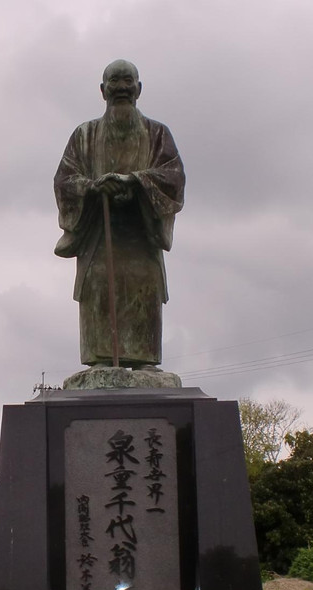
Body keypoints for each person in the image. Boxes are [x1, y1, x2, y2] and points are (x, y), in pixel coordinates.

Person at [54, 59, 185, 369]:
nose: (122, 88)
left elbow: (174, 177)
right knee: (100, 289)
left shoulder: (157, 134)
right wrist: (93, 188)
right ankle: (99, 361)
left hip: (141, 238)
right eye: (115, 82)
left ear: (139, 89)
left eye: (128, 82)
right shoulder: (84, 135)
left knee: (143, 291)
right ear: (103, 91)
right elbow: (64, 180)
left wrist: (135, 182)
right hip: (100, 239)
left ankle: (144, 363)